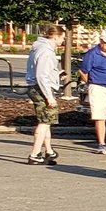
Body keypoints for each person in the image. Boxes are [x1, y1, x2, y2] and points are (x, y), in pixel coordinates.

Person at [26, 24, 66, 166]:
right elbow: (42, 75)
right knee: (44, 122)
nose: (62, 41)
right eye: (62, 38)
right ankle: (35, 154)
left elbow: (42, 70)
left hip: (34, 87)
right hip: (42, 89)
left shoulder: (37, 47)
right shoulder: (46, 51)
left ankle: (49, 151)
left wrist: (56, 74)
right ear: (55, 37)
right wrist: (49, 97)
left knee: (46, 121)